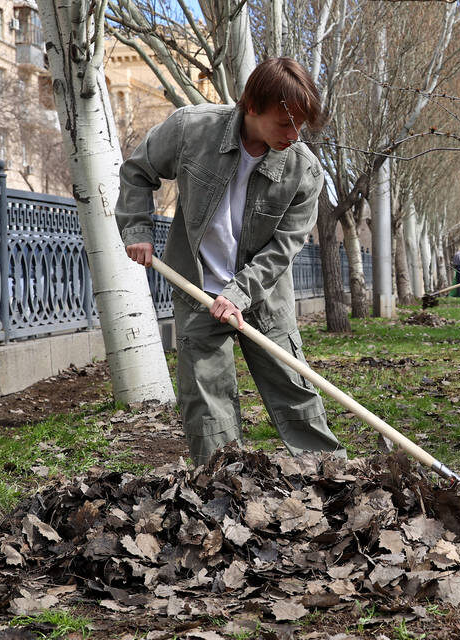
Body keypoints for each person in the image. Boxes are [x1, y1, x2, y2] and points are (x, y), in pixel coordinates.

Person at [115, 57, 345, 465]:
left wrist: (239, 293)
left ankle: (331, 476)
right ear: (252, 107)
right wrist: (137, 230)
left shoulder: (304, 170)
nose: (293, 136)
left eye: (300, 127)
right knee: (207, 400)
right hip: (196, 289)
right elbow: (138, 170)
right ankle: (224, 486)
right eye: (283, 124)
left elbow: (284, 248)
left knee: (293, 388)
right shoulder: (192, 129)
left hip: (263, 296)